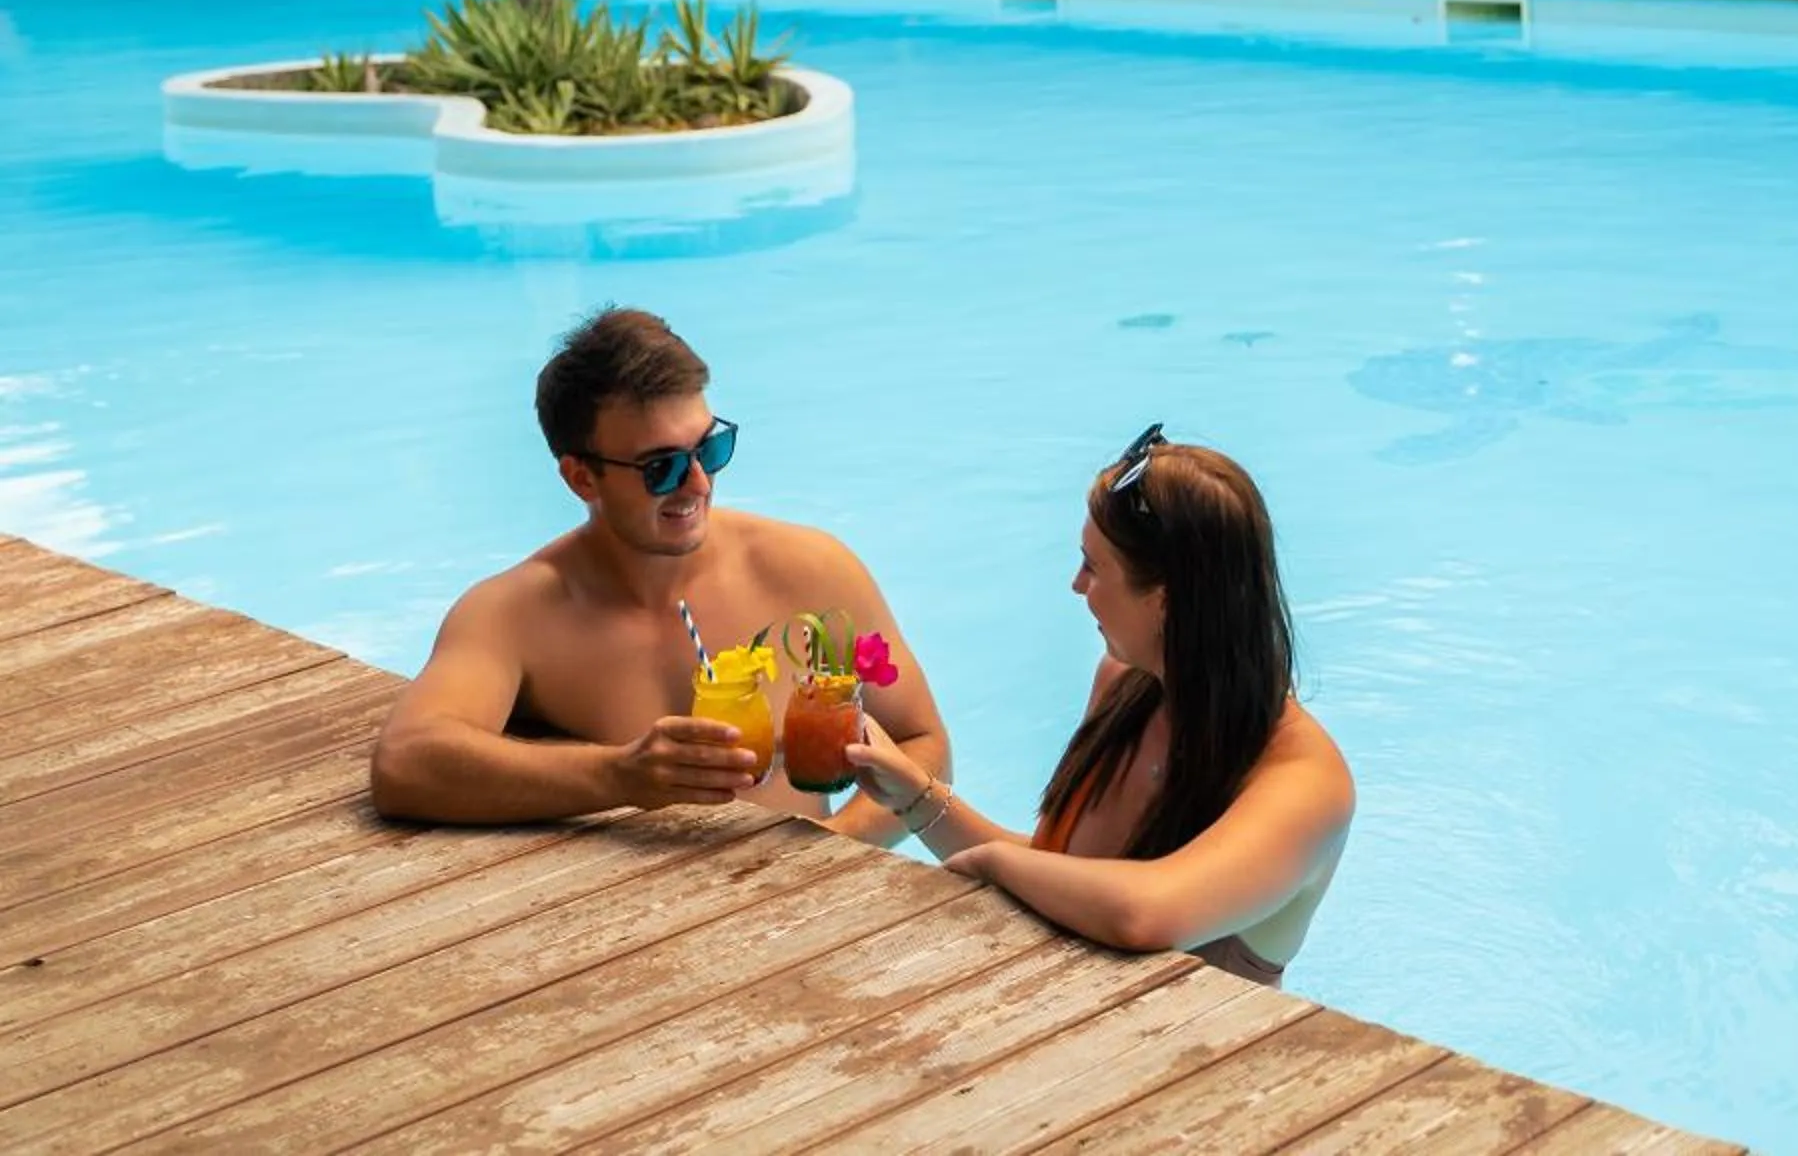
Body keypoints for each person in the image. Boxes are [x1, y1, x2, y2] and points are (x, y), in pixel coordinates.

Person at [370, 305, 948, 840]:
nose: (698, 484)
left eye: (710, 449)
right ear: (581, 479)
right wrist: (620, 775)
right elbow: (407, 762)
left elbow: (926, 745)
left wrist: (830, 852)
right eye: (662, 467)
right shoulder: (519, 614)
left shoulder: (810, 573)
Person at [845, 424, 1352, 979]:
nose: (1077, 585)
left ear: (1166, 600)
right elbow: (1061, 876)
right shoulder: (1125, 685)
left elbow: (1146, 913)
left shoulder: (1306, 783)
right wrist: (915, 798)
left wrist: (995, 864)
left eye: (1094, 566)